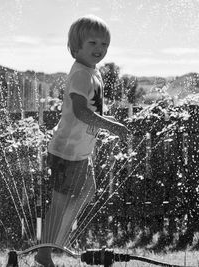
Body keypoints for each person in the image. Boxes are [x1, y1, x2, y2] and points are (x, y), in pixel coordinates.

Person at [35, 15, 129, 267]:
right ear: (75, 47)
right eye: (93, 43)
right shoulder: (81, 75)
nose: (100, 49)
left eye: (104, 45)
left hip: (80, 152)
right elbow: (80, 112)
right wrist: (109, 125)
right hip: (68, 152)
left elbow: (90, 109)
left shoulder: (92, 72)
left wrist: (110, 122)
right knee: (60, 202)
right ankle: (44, 253)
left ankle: (57, 240)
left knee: (88, 192)